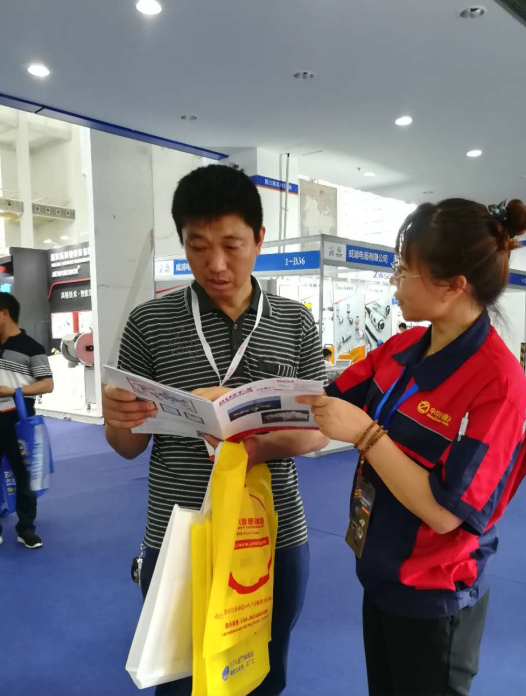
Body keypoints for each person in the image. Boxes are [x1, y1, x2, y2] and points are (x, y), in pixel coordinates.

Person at [298, 198, 526, 696]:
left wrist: (366, 435)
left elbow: (446, 513)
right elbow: (324, 404)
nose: (395, 283)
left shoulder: (498, 386)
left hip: (435, 597)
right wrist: (234, 403)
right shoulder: (402, 349)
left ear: (454, 286)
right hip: (381, 574)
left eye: (404, 271)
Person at [103, 165, 328, 696]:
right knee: (180, 679)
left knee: (263, 672)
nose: (216, 264)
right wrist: (119, 419)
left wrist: (252, 446)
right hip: (180, 531)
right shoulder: (149, 323)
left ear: (259, 239)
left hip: (271, 531)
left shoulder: (295, 322)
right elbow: (128, 448)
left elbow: (317, 431)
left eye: (231, 245)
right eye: (198, 247)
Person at [0, 293, 53, 549]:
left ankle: (26, 528)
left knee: (25, 475)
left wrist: (15, 391)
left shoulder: (32, 348)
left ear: (5, 313)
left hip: (19, 421)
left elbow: (47, 384)